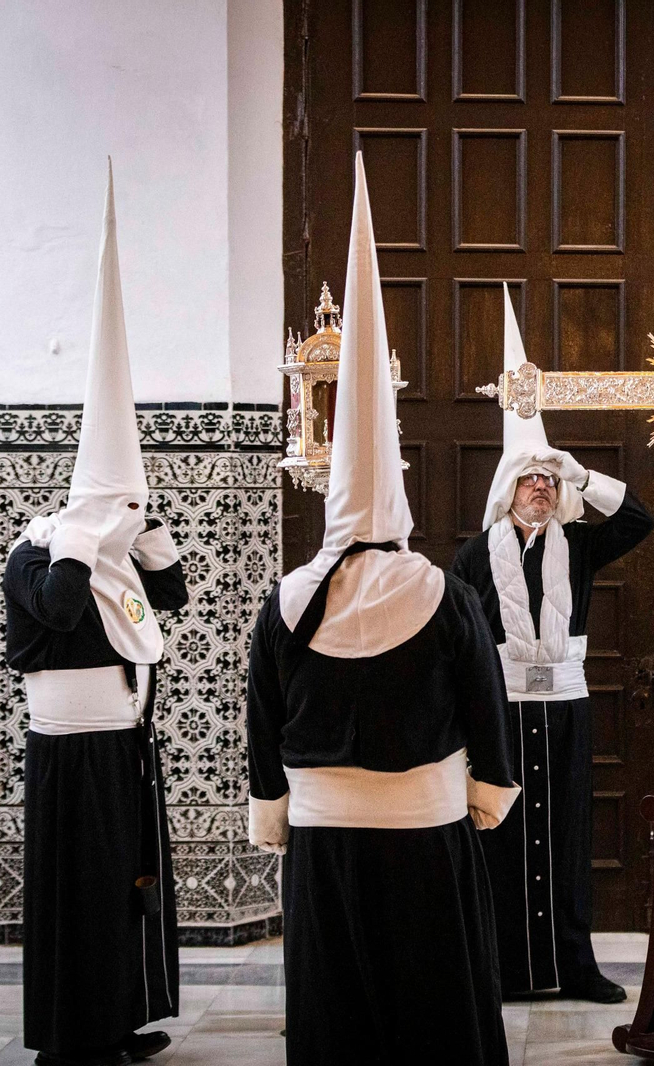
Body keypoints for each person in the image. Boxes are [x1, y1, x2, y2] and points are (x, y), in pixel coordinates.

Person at [245, 155, 519, 1066]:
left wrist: (272, 805)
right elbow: (486, 704)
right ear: (396, 503)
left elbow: (262, 722)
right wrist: (489, 794)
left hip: (325, 839)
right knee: (434, 1006)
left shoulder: (286, 599)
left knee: (337, 1009)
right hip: (422, 831)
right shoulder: (443, 593)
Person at [5, 169, 183, 1066]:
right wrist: (84, 535)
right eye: (108, 509)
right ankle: (70, 1036)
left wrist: (146, 540)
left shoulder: (110, 556)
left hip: (121, 744)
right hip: (70, 755)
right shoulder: (40, 555)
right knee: (77, 893)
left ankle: (120, 1019)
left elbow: (173, 602)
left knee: (126, 888)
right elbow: (60, 608)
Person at [449, 286, 654, 1004]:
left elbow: (639, 520)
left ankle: (575, 965)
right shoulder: (475, 557)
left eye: (547, 479)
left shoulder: (581, 546)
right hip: (502, 710)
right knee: (499, 835)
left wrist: (580, 474)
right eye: (528, 479)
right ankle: (502, 967)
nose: (538, 487)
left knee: (567, 835)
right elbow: (458, 638)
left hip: (565, 708)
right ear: (506, 491)